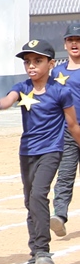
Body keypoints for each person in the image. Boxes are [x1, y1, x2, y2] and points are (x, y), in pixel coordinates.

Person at [0, 38, 80, 264]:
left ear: (51, 64)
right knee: (31, 202)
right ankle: (35, 256)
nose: (31, 66)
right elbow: (9, 99)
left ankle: (43, 252)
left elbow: (72, 125)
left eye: (37, 61)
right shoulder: (22, 87)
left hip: (51, 150)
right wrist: (0, 104)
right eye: (28, 61)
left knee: (39, 194)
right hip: (27, 152)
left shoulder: (61, 92)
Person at [50, 21, 80, 239]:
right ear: (65, 43)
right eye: (71, 40)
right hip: (68, 132)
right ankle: (59, 216)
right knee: (65, 174)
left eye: (78, 40)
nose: (74, 44)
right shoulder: (56, 72)